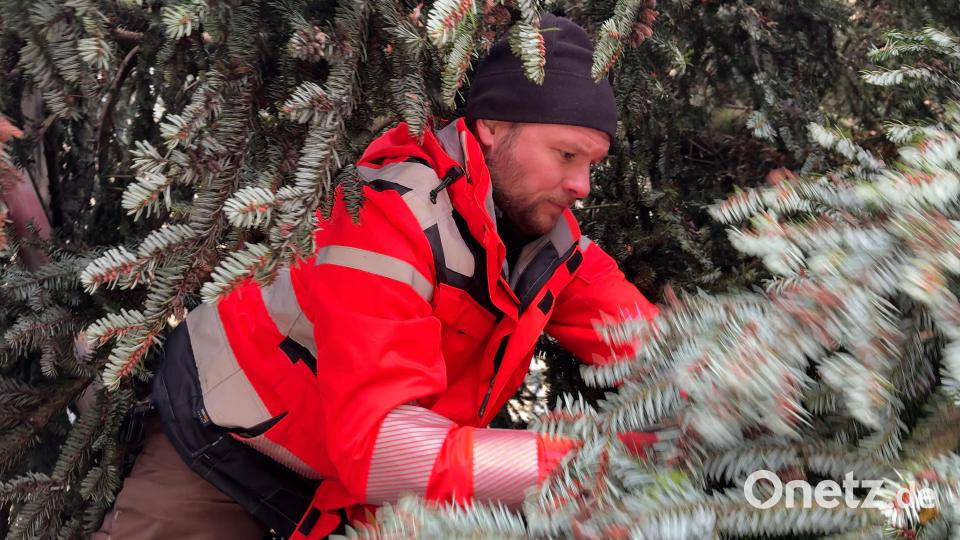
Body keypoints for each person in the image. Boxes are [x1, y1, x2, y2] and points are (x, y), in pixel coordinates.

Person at [93, 13, 664, 540]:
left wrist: (737, 398)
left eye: (592, 163)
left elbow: (668, 352)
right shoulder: (388, 213)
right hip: (227, 450)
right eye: (566, 155)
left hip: (354, 491)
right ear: (490, 127)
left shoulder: (554, 245)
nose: (583, 186)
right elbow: (382, 448)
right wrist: (580, 464)